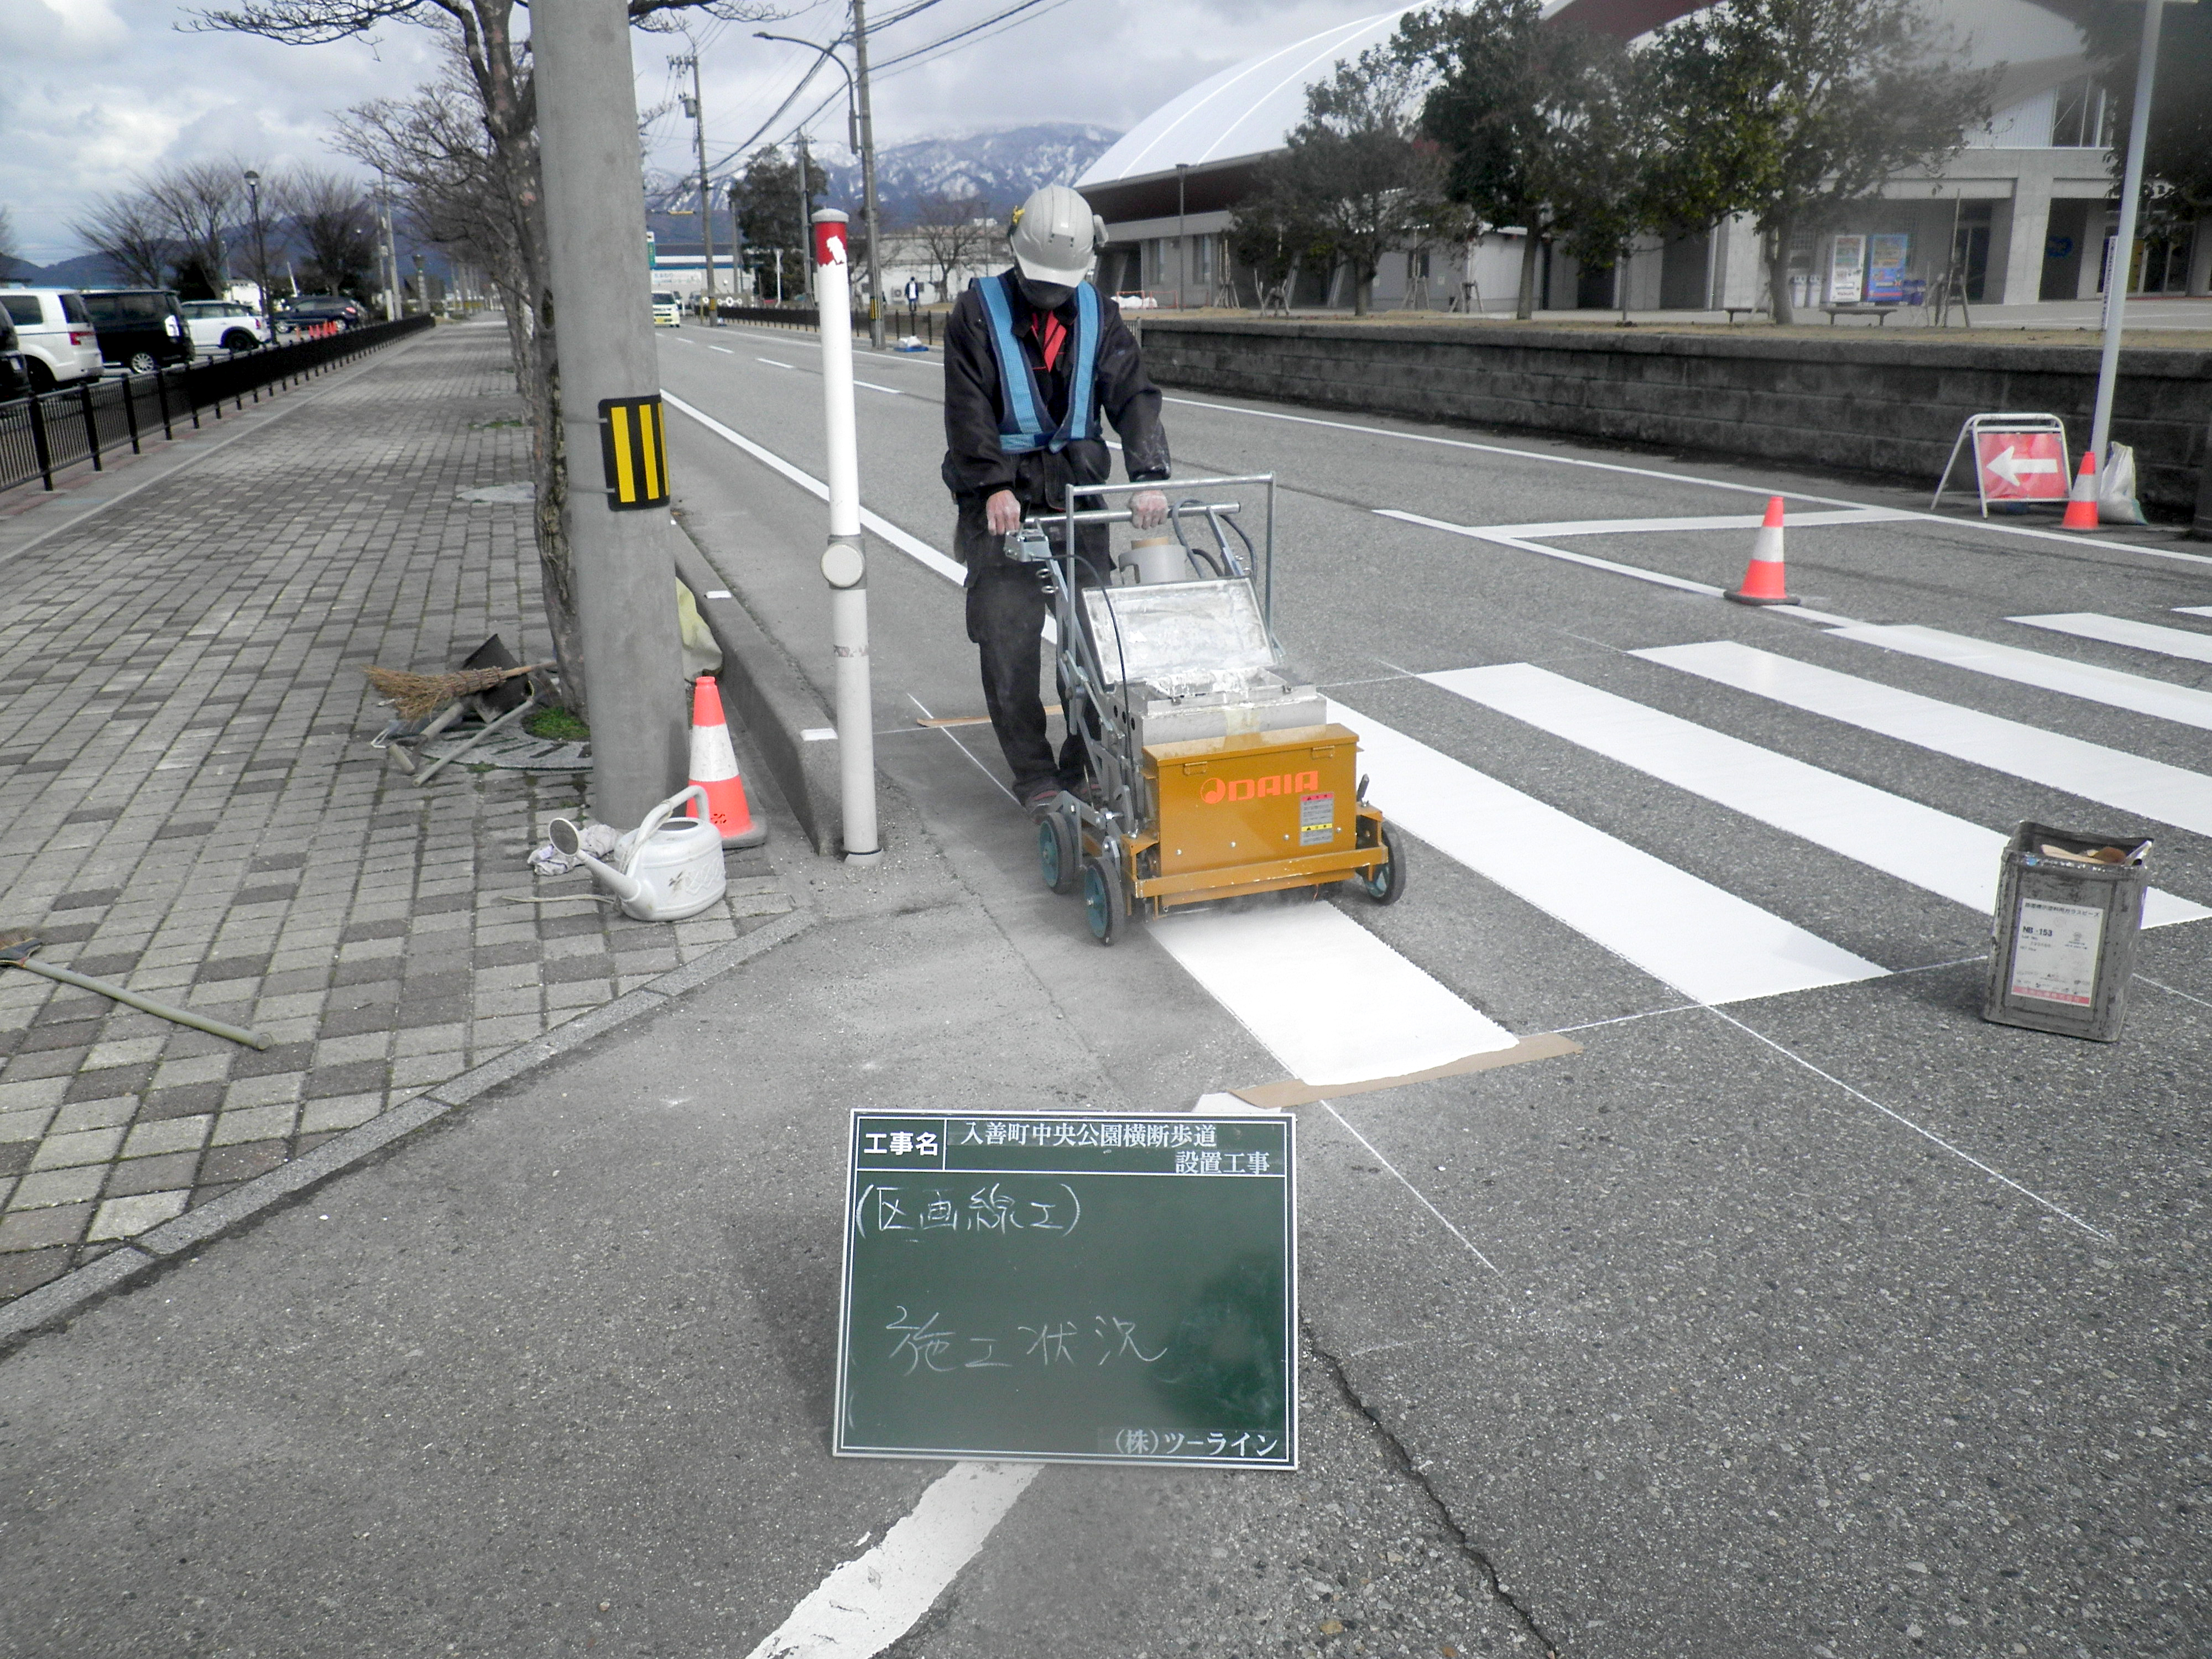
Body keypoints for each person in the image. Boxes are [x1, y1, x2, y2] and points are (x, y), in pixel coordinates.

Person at [942, 184, 1171, 816]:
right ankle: (1035, 775)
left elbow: (1132, 393)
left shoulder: (1100, 313)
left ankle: (1086, 761)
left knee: (1098, 640)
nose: (1049, 294)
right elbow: (966, 412)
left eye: (1060, 285)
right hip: (1001, 499)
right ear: (1016, 255)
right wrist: (990, 485)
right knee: (1008, 635)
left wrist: (1148, 472)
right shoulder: (976, 312)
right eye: (1040, 282)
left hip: (1076, 491)